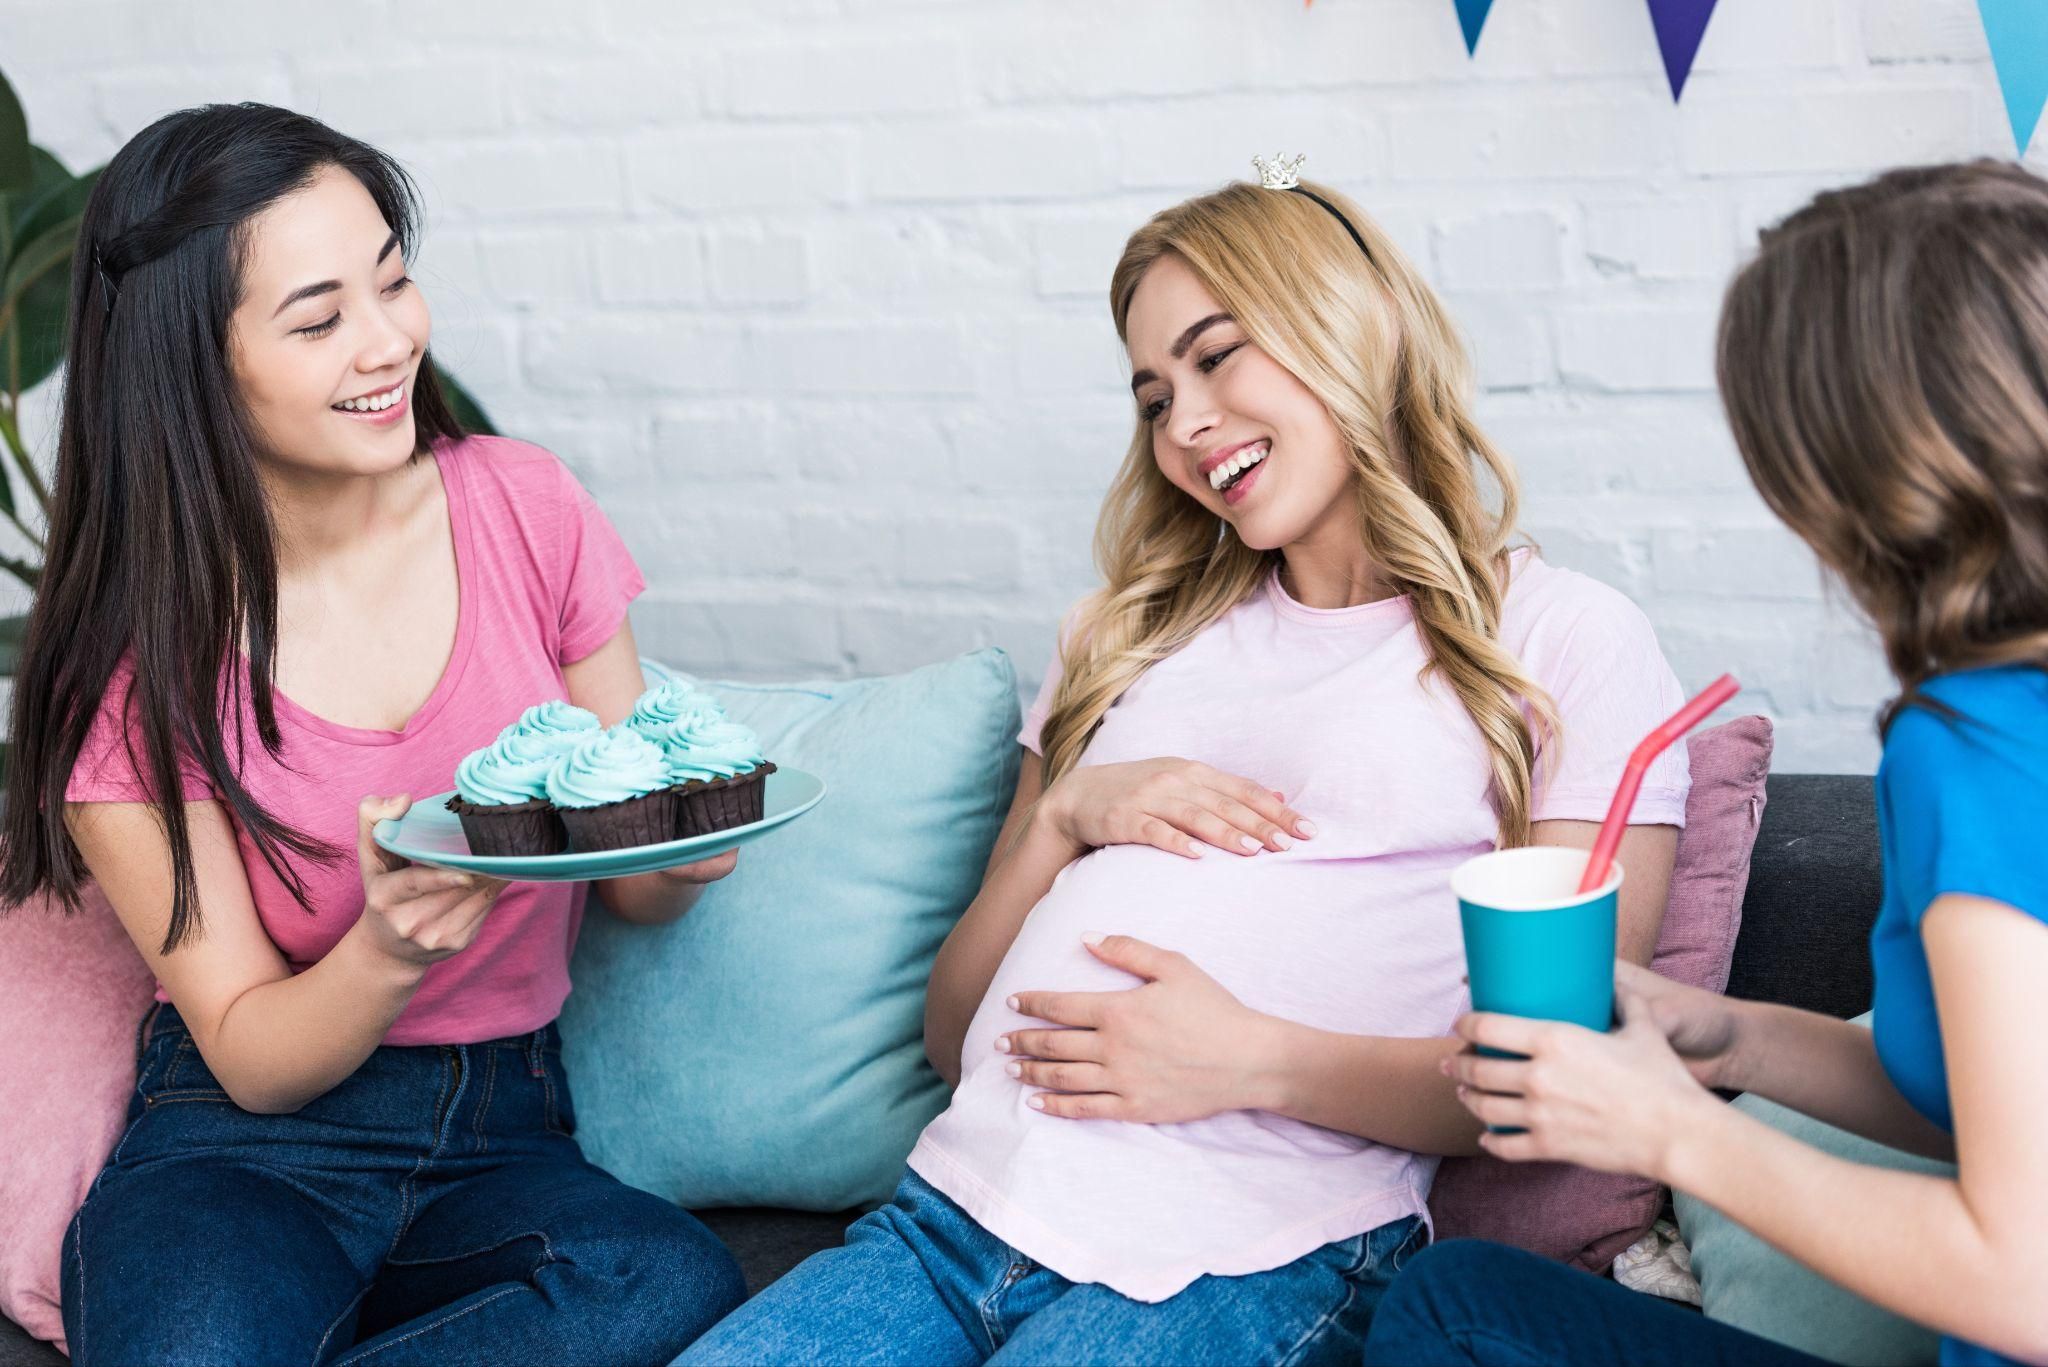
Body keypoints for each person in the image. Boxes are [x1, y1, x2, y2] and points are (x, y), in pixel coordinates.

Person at [677, 170, 1690, 1367]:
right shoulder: (1122, 635)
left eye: (1216, 357)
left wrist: (1244, 1057)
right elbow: (953, 1036)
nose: (1186, 424)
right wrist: (1063, 816)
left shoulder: (1559, 636)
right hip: (946, 1225)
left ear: (1346, 324)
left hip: (1255, 1250)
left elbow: (1551, 1072)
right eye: (1155, 396)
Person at [0, 103, 745, 1366]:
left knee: (663, 1280)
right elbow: (252, 1057)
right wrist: (384, 950)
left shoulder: (524, 506)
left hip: (501, 1129)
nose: (389, 339)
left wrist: (674, 857)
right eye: (318, 317)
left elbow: (632, 870)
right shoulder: (128, 670)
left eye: (392, 279)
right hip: (243, 1150)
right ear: (194, 363)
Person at [1366, 160, 2048, 1367]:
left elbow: (2024, 1276)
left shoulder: (1976, 751)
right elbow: (1998, 1107)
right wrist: (1724, 1035)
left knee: (1451, 1309)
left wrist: (1674, 1133)